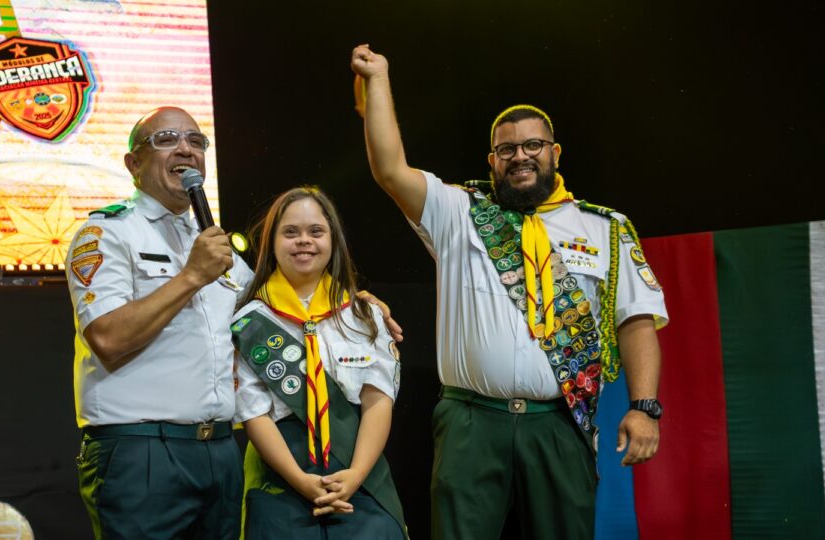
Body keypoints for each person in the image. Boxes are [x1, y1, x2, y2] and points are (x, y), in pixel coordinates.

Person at [350, 45, 669, 540]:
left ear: (555, 152)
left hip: (559, 422)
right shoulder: (459, 211)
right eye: (507, 149)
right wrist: (379, 80)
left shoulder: (606, 228)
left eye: (533, 145)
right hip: (471, 421)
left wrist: (644, 406)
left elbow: (637, 319)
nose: (520, 155)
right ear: (492, 160)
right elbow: (390, 169)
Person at [65, 106, 252, 539]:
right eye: (166, 139)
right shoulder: (108, 233)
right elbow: (108, 337)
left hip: (221, 450)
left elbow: (274, 310)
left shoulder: (213, 244)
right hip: (141, 450)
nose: (185, 148)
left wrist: (353, 304)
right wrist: (191, 276)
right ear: (134, 163)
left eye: (196, 141)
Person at [230, 186, 407, 539]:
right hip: (281, 479)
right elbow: (254, 413)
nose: (303, 241)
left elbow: (378, 400)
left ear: (333, 239)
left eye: (316, 231)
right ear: (273, 242)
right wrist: (301, 482)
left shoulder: (363, 313)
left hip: (360, 473)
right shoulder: (249, 319)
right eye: (290, 232)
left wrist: (356, 474)